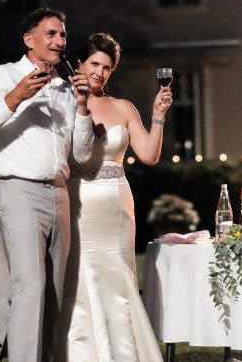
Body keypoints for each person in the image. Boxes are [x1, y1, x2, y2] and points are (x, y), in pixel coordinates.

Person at [0, 7, 94, 362]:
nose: (60, 40)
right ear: (29, 39)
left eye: (63, 34)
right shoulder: (3, 76)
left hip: (59, 192)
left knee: (55, 291)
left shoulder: (66, 89)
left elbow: (81, 155)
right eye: (51, 33)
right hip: (17, 189)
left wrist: (83, 107)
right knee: (30, 285)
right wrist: (16, 97)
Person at [65, 32, 171, 361]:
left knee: (118, 276)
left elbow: (149, 155)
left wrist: (158, 115)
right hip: (79, 203)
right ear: (80, 64)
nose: (99, 72)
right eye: (94, 63)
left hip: (117, 208)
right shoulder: (62, 102)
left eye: (107, 67)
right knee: (80, 275)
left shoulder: (123, 107)